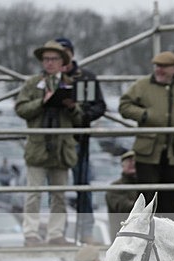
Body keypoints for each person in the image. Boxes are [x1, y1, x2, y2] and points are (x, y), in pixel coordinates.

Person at [118, 51, 174, 221]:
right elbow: (124, 106)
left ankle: (168, 235)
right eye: (157, 66)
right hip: (147, 152)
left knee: (171, 197)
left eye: (164, 67)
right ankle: (144, 234)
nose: (159, 70)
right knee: (147, 197)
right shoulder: (142, 86)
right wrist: (144, 115)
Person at [15, 40, 85, 246]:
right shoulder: (32, 83)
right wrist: (42, 102)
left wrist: (71, 107)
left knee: (59, 195)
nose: (49, 63)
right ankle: (31, 233)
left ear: (62, 62)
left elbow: (81, 118)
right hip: (38, 146)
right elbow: (20, 109)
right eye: (46, 59)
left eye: (54, 59)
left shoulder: (70, 84)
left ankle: (56, 234)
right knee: (33, 192)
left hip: (62, 148)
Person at [55, 37, 107, 244]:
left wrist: (82, 115)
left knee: (83, 187)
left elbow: (99, 106)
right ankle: (57, 232)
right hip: (55, 140)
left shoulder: (85, 77)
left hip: (78, 138)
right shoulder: (49, 78)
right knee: (56, 190)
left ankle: (86, 232)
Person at [105, 150, 140, 243]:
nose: (132, 163)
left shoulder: (146, 184)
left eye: (134, 161)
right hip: (122, 239)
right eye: (128, 161)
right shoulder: (115, 187)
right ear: (122, 165)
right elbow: (124, 208)